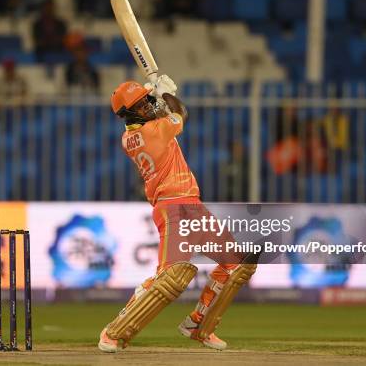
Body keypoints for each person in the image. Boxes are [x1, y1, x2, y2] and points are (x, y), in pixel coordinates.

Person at [98, 76, 255, 353]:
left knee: (237, 265)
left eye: (147, 100)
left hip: (191, 204)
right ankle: (113, 331)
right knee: (169, 279)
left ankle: (199, 324)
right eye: (142, 103)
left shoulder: (139, 132)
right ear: (130, 112)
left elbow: (166, 113)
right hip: (172, 208)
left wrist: (158, 96)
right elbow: (181, 113)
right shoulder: (151, 133)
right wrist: (166, 94)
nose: (148, 105)